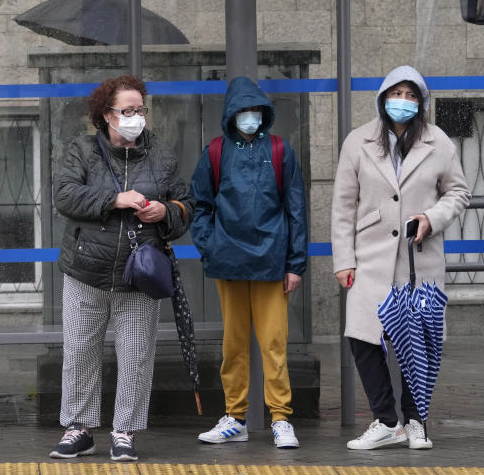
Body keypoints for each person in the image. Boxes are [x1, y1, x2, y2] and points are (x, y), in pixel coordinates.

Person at [51, 74, 194, 462]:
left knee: (135, 355)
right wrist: (115, 199)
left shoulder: (161, 155)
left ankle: (124, 432)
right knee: (80, 351)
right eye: (126, 110)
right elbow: (64, 196)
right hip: (86, 272)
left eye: (140, 109)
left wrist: (166, 211)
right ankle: (78, 429)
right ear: (106, 114)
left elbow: (186, 207)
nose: (135, 116)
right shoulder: (82, 149)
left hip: (139, 276)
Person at [330, 65, 469, 451]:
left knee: (419, 340)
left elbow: (458, 193)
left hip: (419, 259)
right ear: (382, 97)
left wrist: (432, 217)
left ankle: (416, 421)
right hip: (370, 256)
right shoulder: (357, 142)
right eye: (397, 93)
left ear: (421, 102)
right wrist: (344, 259)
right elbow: (343, 205)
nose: (403, 102)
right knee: (363, 337)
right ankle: (387, 420)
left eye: (411, 96)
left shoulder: (438, 142)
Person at [191, 76, 308, 449]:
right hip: (228, 262)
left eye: (255, 110)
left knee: (274, 343)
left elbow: (296, 210)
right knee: (234, 344)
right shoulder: (214, 152)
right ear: (230, 114)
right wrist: (211, 247)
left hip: (272, 263)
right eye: (243, 111)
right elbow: (200, 206)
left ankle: (280, 418)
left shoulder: (279, 150)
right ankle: (234, 416)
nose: (249, 117)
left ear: (264, 112)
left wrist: (295, 264)